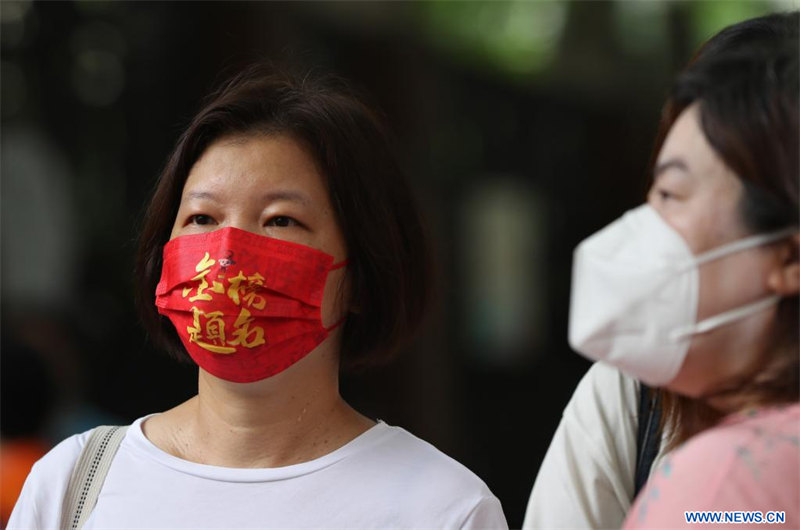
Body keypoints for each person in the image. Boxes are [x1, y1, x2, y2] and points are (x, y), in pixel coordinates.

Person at [8, 66, 508, 529]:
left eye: (280, 221)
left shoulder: (441, 508)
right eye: (202, 218)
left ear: (360, 275)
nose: (227, 254)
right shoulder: (74, 484)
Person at [523, 11, 798, 529]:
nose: (646, 226)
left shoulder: (714, 483)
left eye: (672, 193)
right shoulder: (630, 398)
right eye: (655, 189)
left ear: (788, 256)